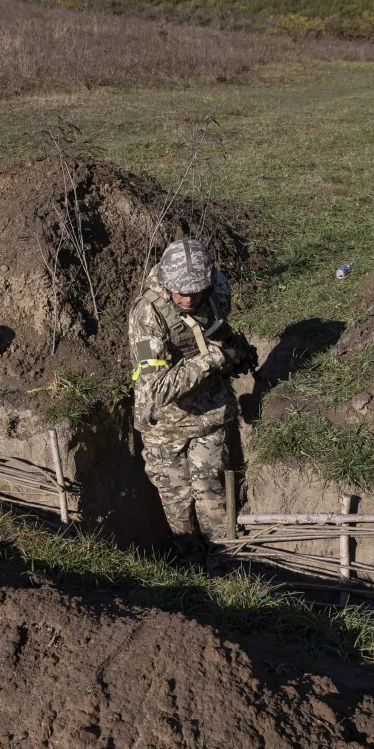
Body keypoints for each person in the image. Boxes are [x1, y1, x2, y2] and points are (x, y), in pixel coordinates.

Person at [127, 239, 257, 564]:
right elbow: (156, 389)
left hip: (209, 416)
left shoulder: (218, 290)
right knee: (178, 504)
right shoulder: (147, 315)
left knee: (211, 496)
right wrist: (214, 359)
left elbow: (216, 327)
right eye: (180, 291)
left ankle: (223, 565)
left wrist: (235, 349)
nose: (187, 298)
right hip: (164, 427)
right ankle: (190, 566)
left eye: (195, 291)